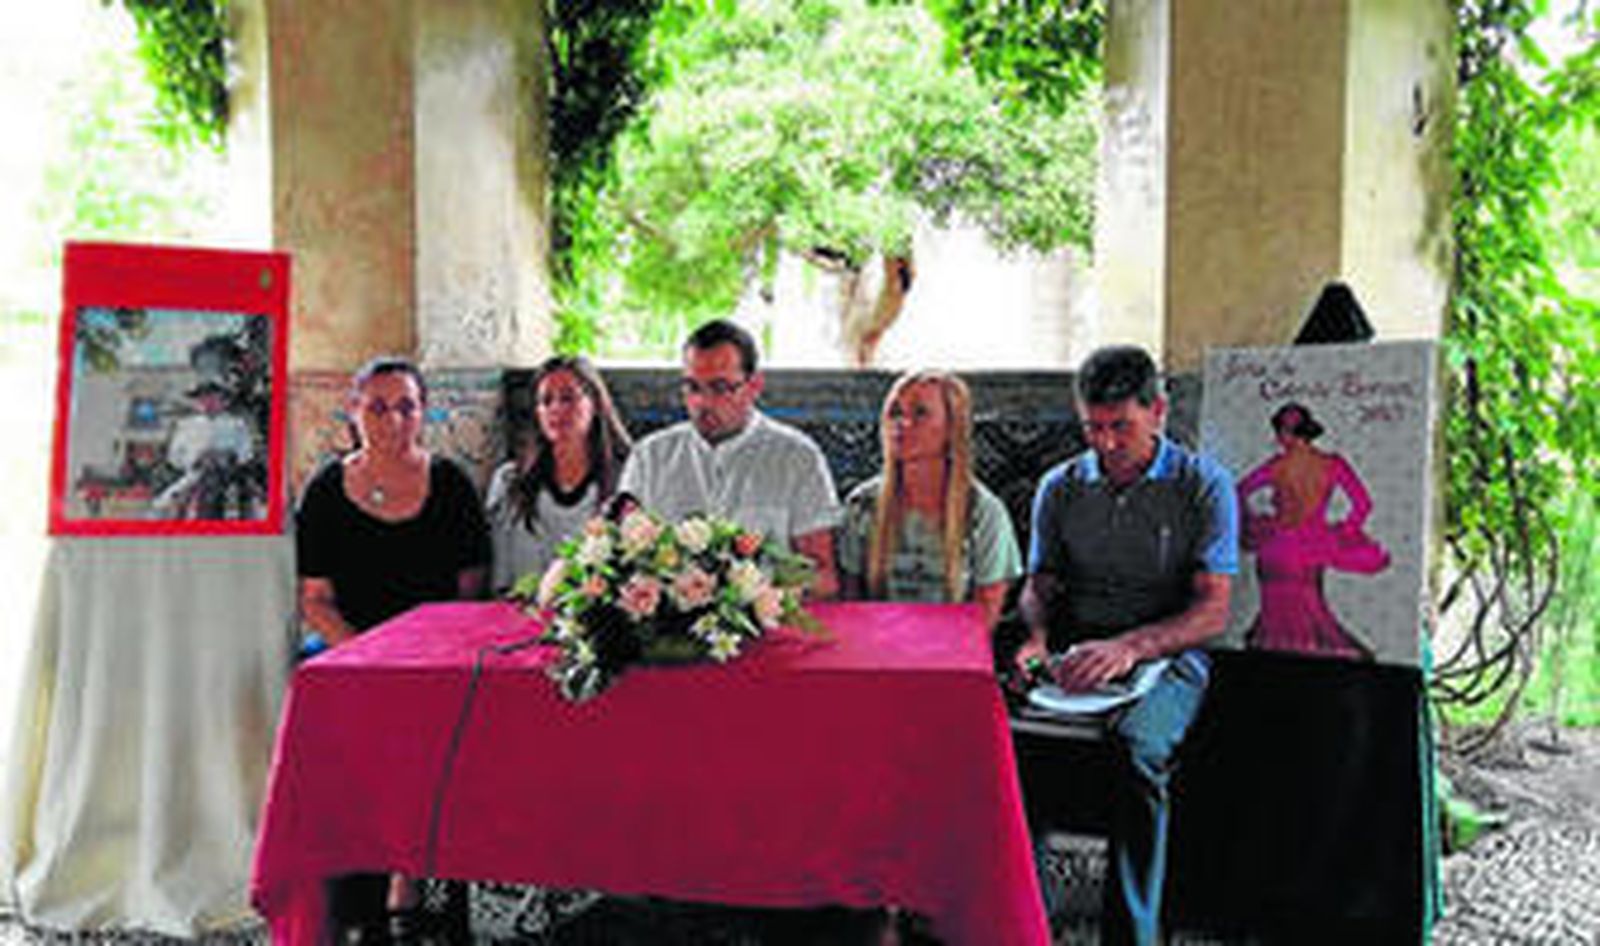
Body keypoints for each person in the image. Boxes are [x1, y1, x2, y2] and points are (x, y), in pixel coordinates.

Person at [1018, 345, 1238, 946]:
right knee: (1011, 743)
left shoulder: (1202, 486)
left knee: (1138, 750)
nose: (1107, 443)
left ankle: (1131, 932)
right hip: (1077, 650)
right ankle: (1025, 921)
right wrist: (1037, 636)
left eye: (1122, 427)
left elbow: (1214, 609)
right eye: (1094, 427)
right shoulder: (1059, 488)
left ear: (1159, 412)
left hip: (1169, 656)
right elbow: (1040, 585)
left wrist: (1132, 648)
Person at [294, 355, 490, 943]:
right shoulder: (327, 491)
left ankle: (407, 879)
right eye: (377, 406)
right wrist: (366, 657)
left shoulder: (451, 484)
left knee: (426, 722)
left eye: (406, 405)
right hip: (352, 649)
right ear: (354, 413)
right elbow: (315, 599)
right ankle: (337, 881)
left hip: (435, 655)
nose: (393, 418)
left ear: (423, 413)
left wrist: (420, 655)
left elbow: (470, 590)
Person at [619, 318, 841, 598]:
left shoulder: (798, 459)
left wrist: (753, 598)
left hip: (768, 628)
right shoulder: (649, 458)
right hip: (666, 631)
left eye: (720, 388)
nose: (703, 403)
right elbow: (622, 559)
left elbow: (823, 577)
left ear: (754, 386)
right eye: (692, 388)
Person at [839, 370, 1021, 630]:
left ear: (952, 428)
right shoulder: (862, 505)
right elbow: (850, 604)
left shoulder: (984, 512)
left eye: (920, 413)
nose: (901, 423)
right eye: (895, 412)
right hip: (877, 651)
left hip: (954, 655)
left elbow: (984, 620)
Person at [1235, 402, 1389, 660]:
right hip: (1310, 550)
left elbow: (1239, 491)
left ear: (1286, 433)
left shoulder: (1277, 466)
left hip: (1275, 550)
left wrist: (1254, 522)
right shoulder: (1332, 464)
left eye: (1279, 433)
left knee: (1274, 621)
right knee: (1310, 612)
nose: (1278, 439)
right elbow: (1363, 504)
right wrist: (1339, 533)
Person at [485, 355, 632, 593]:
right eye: (546, 401)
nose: (556, 409)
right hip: (522, 618)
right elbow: (499, 579)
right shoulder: (509, 482)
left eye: (568, 398)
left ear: (595, 404)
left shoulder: (628, 478)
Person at [153, 379, 257, 518]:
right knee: (167, 503)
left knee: (245, 502)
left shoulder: (236, 425)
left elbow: (246, 451)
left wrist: (227, 456)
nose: (208, 402)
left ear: (223, 400)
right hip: (195, 474)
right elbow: (174, 456)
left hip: (228, 475)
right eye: (204, 398)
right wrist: (195, 459)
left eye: (213, 398)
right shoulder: (186, 425)